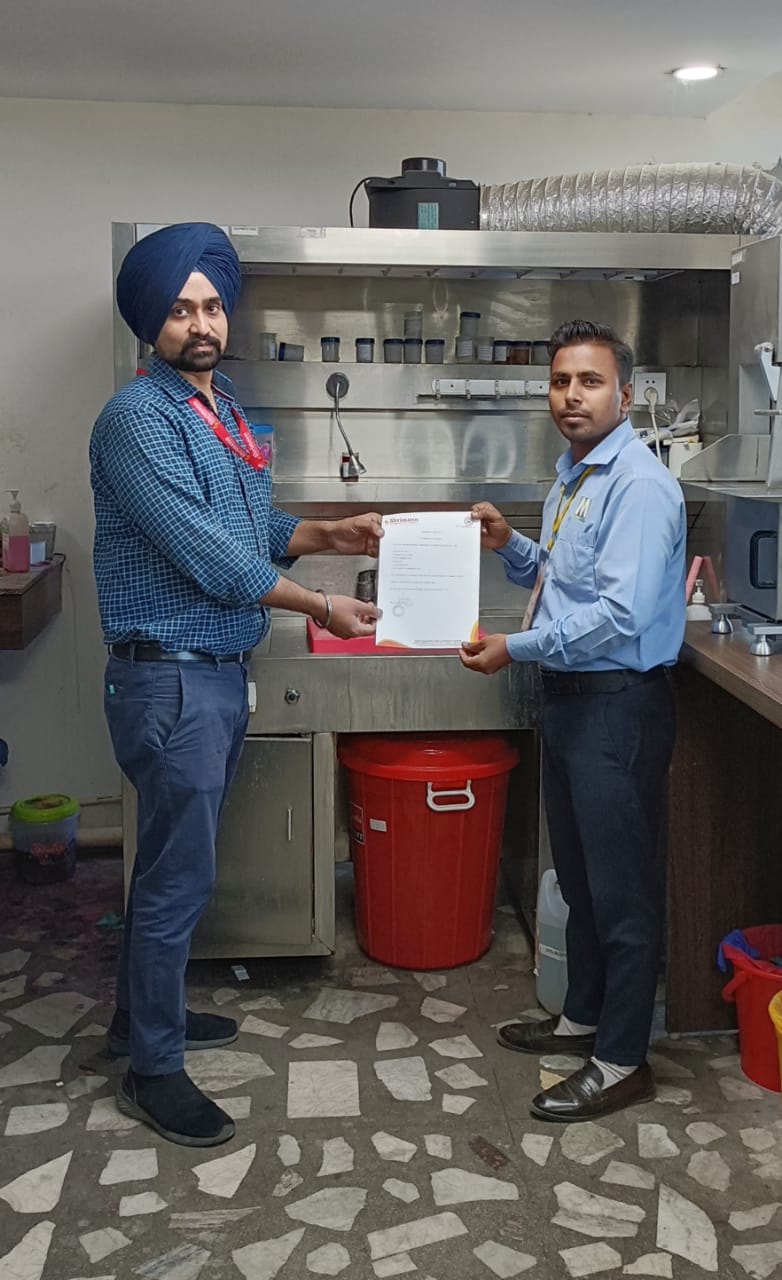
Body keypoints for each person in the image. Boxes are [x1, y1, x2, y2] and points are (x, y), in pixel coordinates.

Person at [90, 222, 382, 1147]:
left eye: (212, 305)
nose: (202, 322)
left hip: (209, 677)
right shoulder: (138, 419)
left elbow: (253, 526)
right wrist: (321, 605)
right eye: (181, 309)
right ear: (152, 323)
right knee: (179, 878)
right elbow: (212, 556)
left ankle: (137, 1020)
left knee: (168, 868)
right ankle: (153, 1069)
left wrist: (331, 534)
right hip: (170, 680)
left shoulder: (223, 414)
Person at [460, 319, 685, 1122]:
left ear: (626, 392)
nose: (571, 396)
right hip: (571, 702)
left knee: (622, 891)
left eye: (589, 381)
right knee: (584, 881)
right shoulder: (575, 477)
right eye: (560, 382)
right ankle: (583, 1019)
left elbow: (619, 617)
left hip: (616, 707)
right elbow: (565, 579)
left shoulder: (639, 487)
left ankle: (622, 1059)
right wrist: (508, 544)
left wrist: (513, 648)